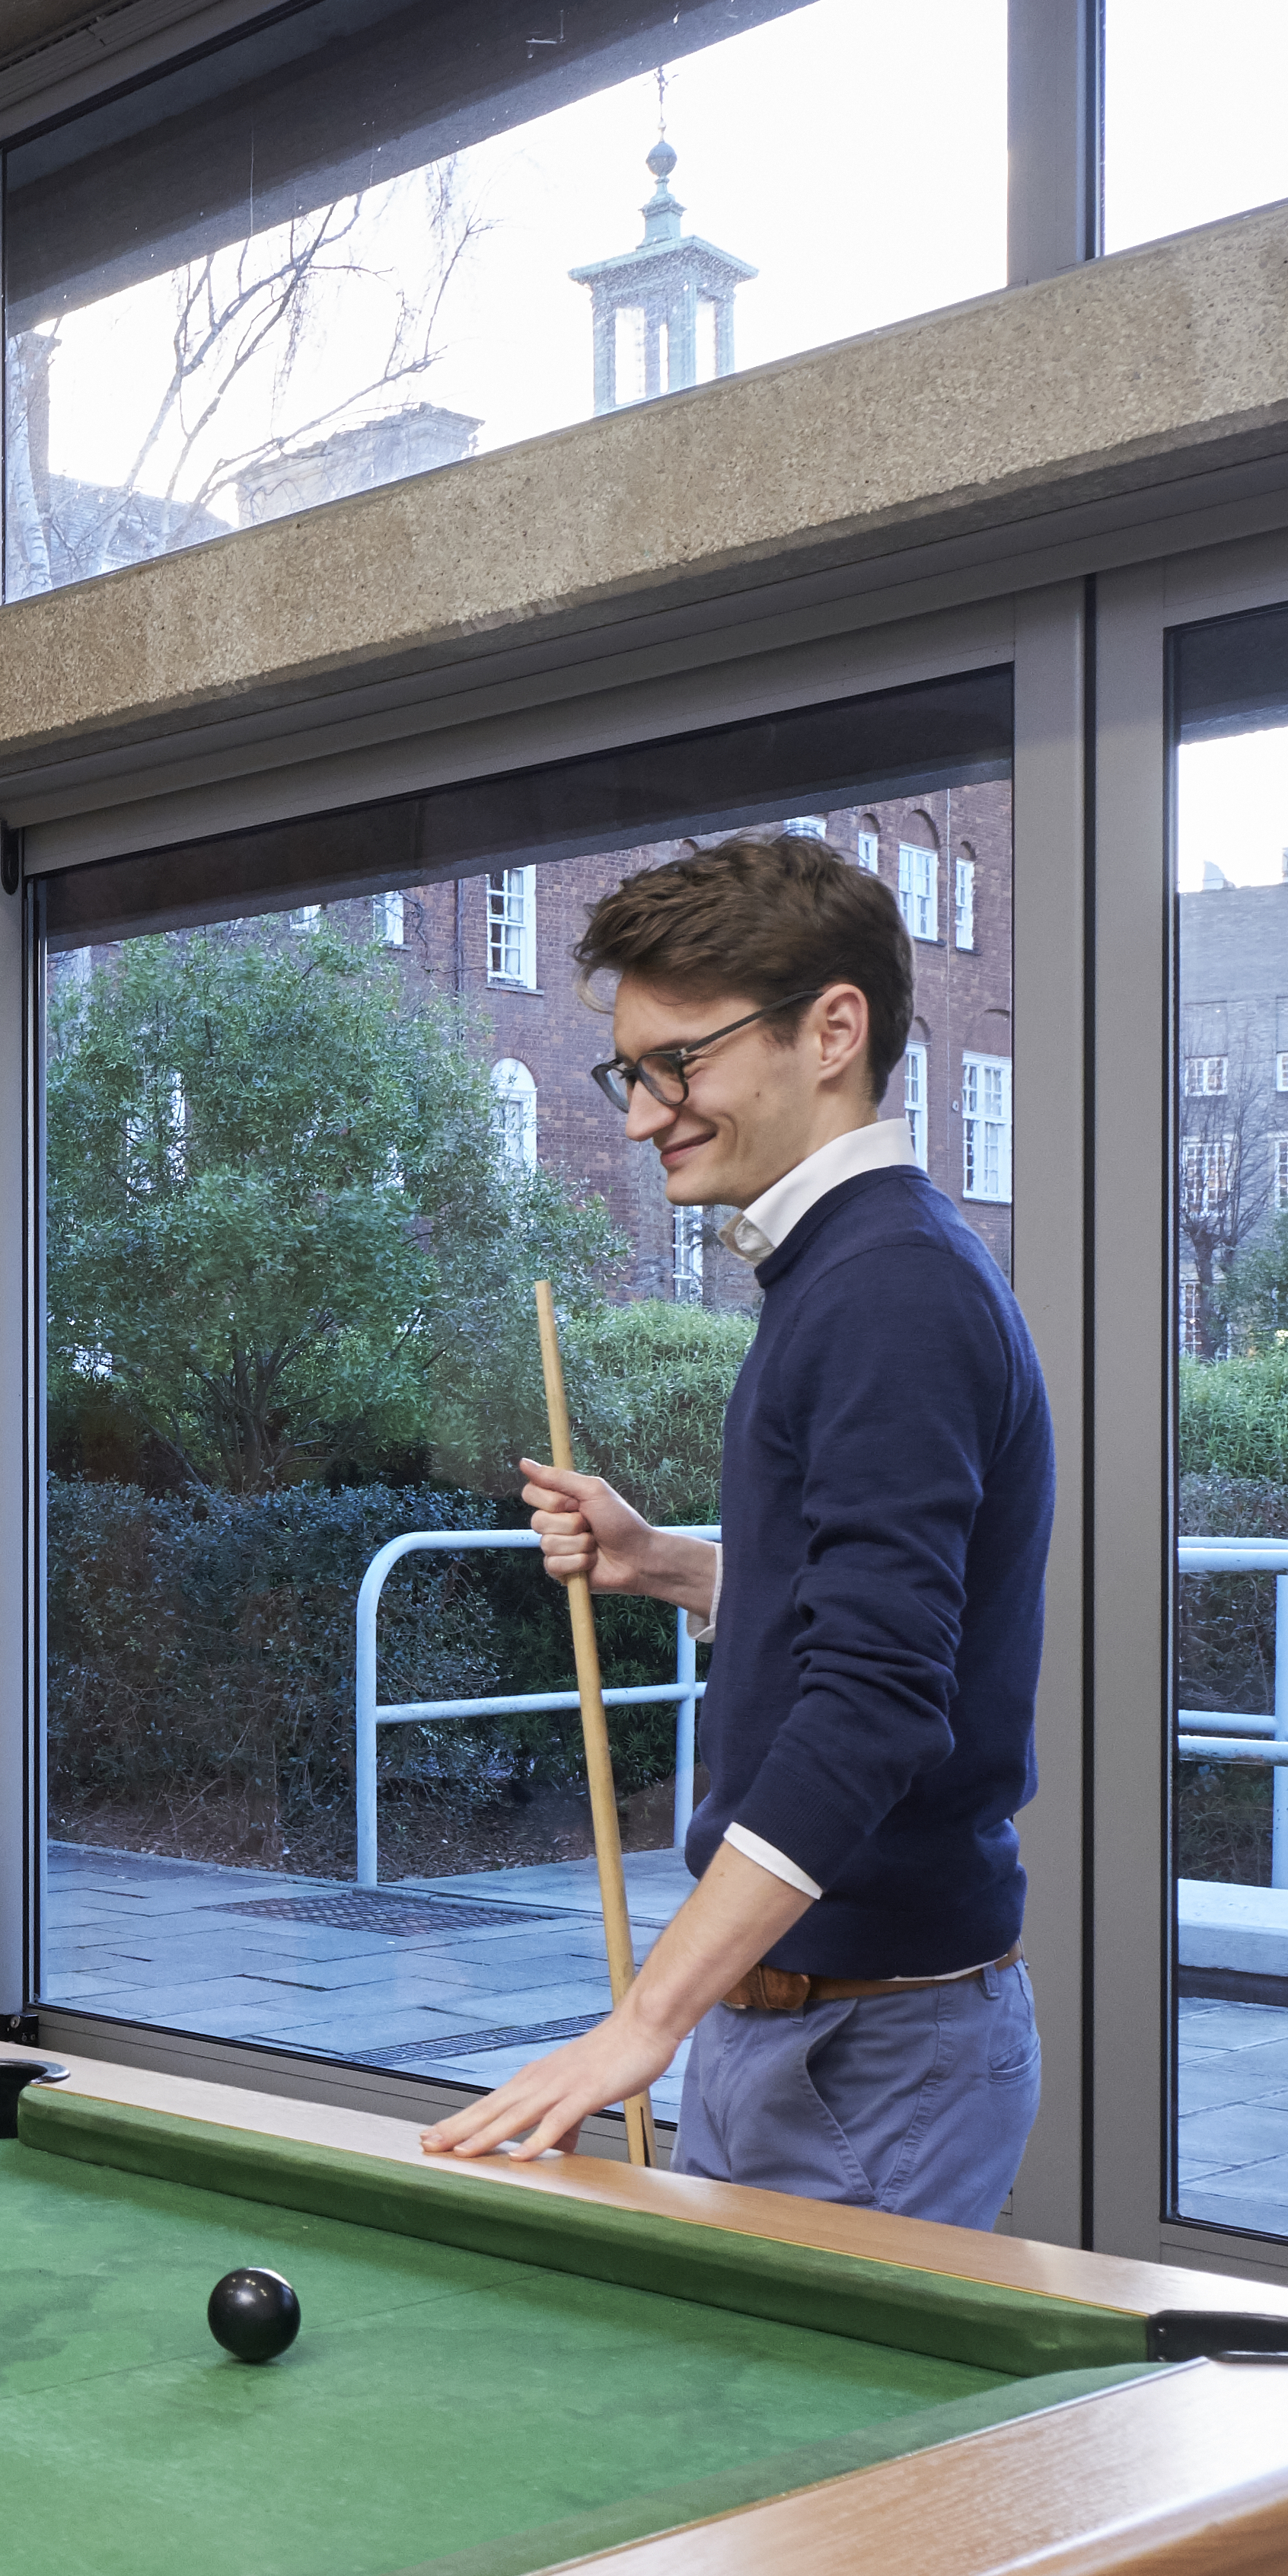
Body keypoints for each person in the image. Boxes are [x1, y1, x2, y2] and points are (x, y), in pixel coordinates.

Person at [422, 836, 1054, 2226]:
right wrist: (668, 1565)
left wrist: (643, 2022)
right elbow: (864, 1607)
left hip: (862, 2050)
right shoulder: (856, 1270)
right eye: (630, 1072)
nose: (643, 1114)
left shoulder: (888, 1290)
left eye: (679, 1063)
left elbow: (880, 1700)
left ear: (832, 1030)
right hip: (811, 2036)